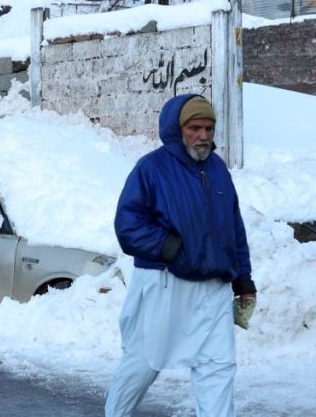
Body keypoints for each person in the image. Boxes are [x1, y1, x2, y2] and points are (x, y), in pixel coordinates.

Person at [105, 94, 257, 416]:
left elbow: (234, 227)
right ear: (178, 129)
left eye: (209, 128)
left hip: (214, 287)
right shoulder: (152, 168)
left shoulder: (217, 170)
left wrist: (243, 279)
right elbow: (127, 224)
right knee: (144, 362)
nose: (203, 136)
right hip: (166, 282)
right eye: (195, 128)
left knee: (218, 366)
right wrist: (167, 247)